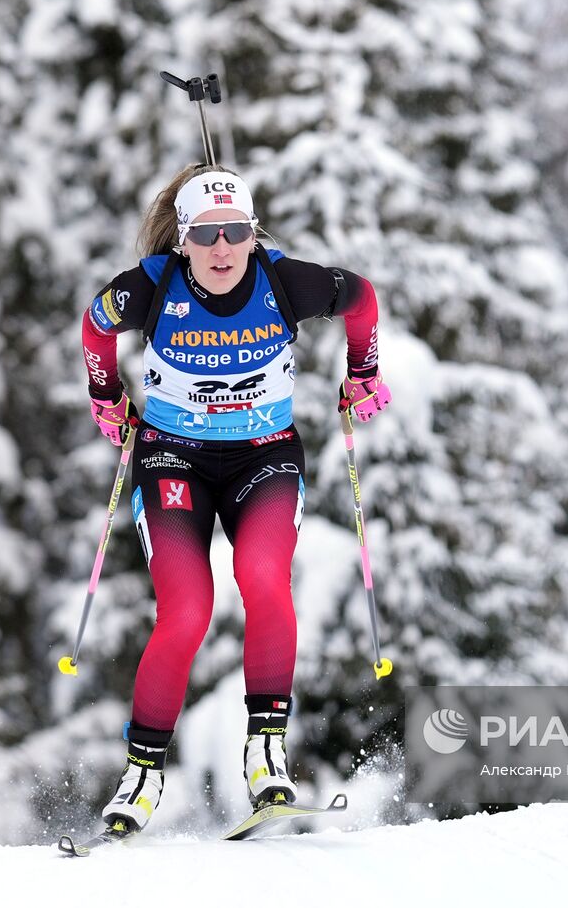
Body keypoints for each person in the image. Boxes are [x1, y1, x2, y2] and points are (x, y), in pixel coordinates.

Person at [80, 163, 390, 833]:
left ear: (254, 233)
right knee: (186, 612)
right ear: (182, 239)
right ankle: (140, 776)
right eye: (206, 235)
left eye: (236, 232)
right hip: (173, 461)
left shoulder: (283, 281)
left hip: (264, 457)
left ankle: (266, 752)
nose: (222, 250)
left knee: (263, 579)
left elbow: (361, 298)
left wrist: (362, 371)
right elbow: (95, 325)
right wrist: (107, 397)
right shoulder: (153, 287)